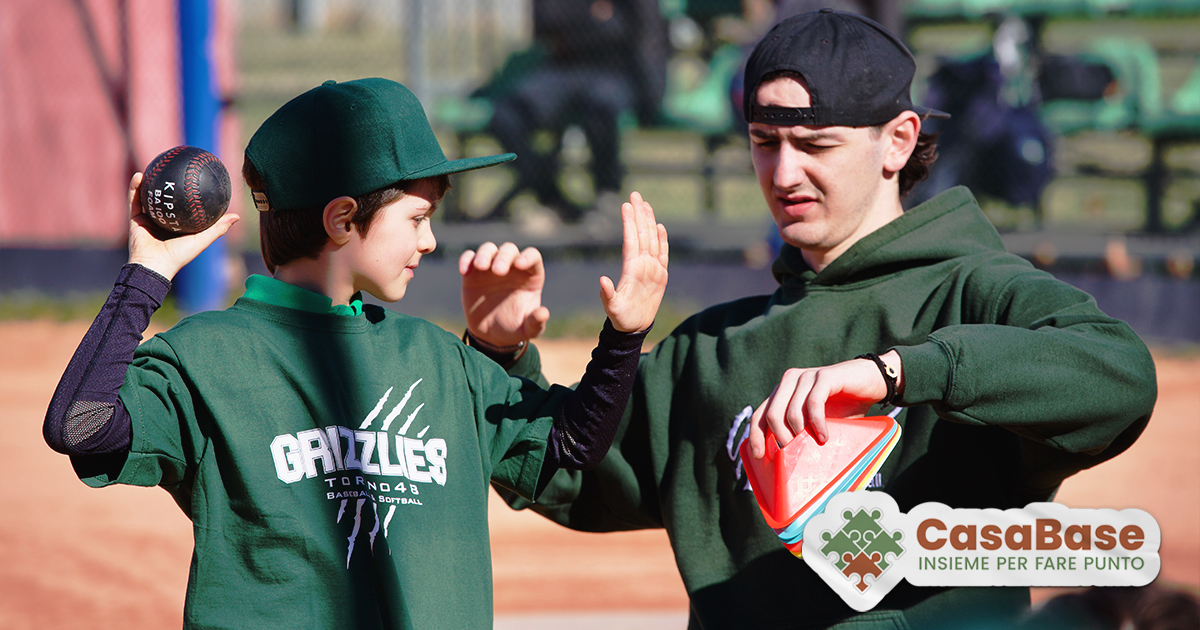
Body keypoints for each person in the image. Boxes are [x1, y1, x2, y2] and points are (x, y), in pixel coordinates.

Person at [460, 10, 1157, 630]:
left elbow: (1118, 376)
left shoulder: (973, 290)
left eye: (816, 145)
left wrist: (898, 372)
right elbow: (564, 478)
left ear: (897, 142)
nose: (783, 173)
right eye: (766, 141)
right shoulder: (710, 349)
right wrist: (497, 354)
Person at [42, 77, 669, 629]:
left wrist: (623, 336)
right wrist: (144, 277)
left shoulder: (437, 358)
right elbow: (81, 425)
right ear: (344, 218)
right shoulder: (206, 358)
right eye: (418, 217)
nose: (428, 242)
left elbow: (573, 446)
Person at [484, 0, 668, 225]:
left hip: (614, 69)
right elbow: (547, 24)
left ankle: (606, 194)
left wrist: (651, 94)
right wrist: (596, 20)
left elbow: (646, 31)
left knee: (603, 107)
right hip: (563, 67)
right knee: (506, 114)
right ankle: (551, 196)